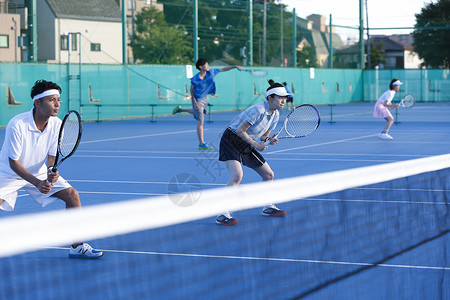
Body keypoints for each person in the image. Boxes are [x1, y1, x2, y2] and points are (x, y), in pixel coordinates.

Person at [0, 79, 103, 259]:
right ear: (37, 103)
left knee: (72, 195)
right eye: (51, 100)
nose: (57, 104)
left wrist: (50, 171)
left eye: (58, 99)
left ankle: (77, 246)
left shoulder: (56, 124)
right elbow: (13, 163)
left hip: (38, 171)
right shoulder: (17, 124)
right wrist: (39, 183)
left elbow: (51, 155)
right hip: (9, 173)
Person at [216, 79, 290, 225]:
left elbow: (263, 135)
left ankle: (268, 206)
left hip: (246, 141)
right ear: (270, 98)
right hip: (231, 140)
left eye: (285, 98)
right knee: (237, 175)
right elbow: (239, 130)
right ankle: (222, 213)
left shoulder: (275, 115)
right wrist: (256, 144)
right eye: (280, 98)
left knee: (268, 175)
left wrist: (269, 139)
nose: (283, 101)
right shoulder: (258, 110)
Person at [173, 58, 242, 150]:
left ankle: (180, 110)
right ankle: (201, 143)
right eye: (206, 64)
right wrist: (195, 102)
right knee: (200, 122)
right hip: (197, 100)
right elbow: (191, 90)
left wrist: (235, 66)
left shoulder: (211, 72)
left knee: (202, 113)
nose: (208, 66)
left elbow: (224, 69)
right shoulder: (195, 79)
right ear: (201, 67)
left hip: (205, 98)